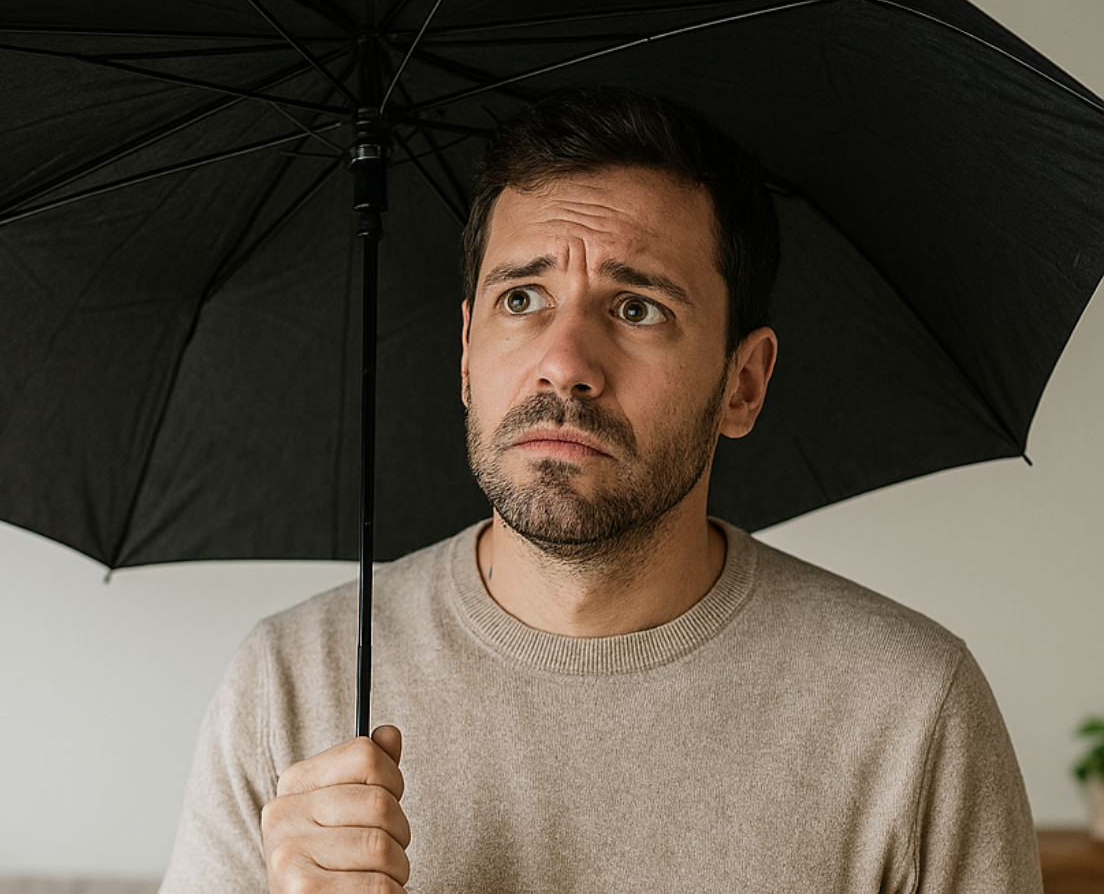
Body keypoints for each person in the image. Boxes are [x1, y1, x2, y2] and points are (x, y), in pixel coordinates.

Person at [161, 88, 1042, 893]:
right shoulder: (290, 686)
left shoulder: (912, 713)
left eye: (636, 309)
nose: (564, 364)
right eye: (522, 298)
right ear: (466, 352)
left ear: (744, 382)